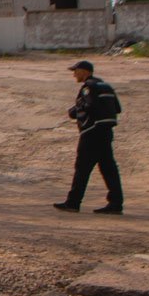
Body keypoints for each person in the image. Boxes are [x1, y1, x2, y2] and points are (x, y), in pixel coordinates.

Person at [55, 60, 123, 214]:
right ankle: (116, 204)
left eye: (76, 71)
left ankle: (73, 203)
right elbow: (118, 108)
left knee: (82, 168)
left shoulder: (88, 87)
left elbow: (90, 106)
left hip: (91, 133)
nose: (74, 74)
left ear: (85, 71)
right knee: (109, 168)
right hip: (106, 132)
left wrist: (75, 111)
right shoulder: (105, 86)